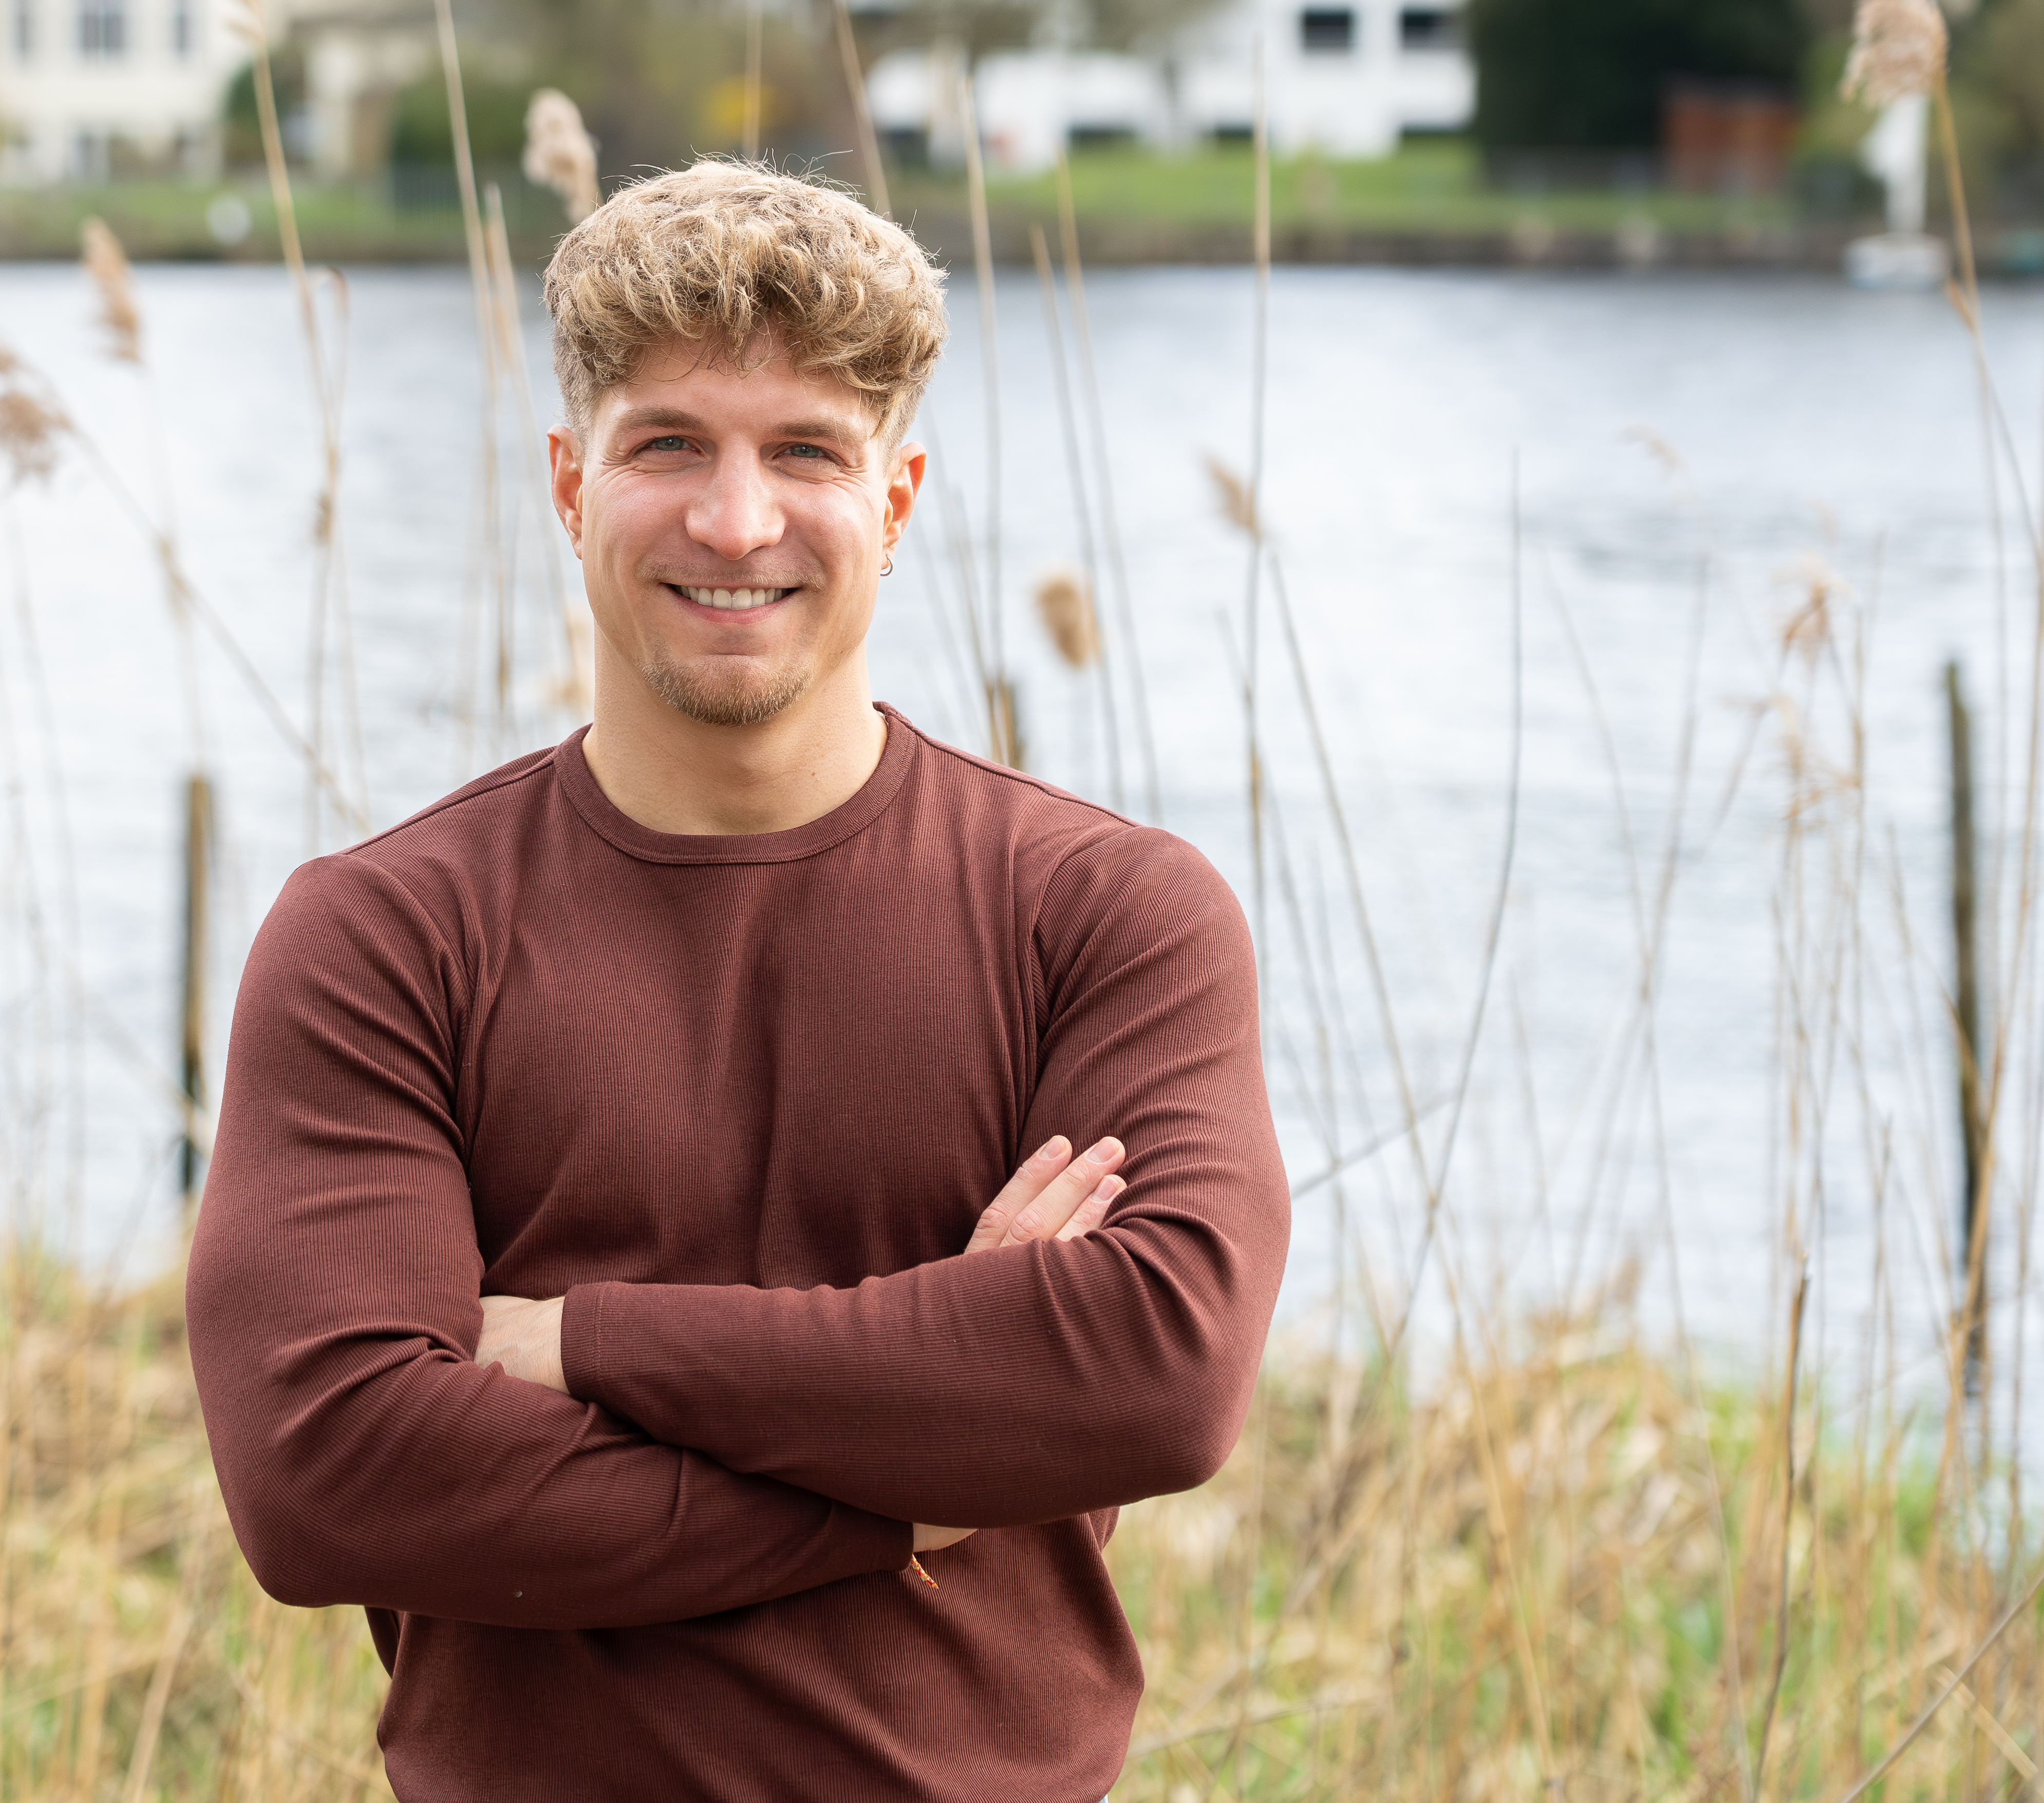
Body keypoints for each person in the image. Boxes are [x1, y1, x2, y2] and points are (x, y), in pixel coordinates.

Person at [186, 160, 1291, 1800]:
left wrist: (576, 1347)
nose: (736, 521)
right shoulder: (383, 937)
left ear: (896, 499)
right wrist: (921, 1475)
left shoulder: (1108, 915)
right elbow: (329, 1482)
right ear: (571, 485)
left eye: (806, 454)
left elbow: (1161, 1366)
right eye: (669, 447)